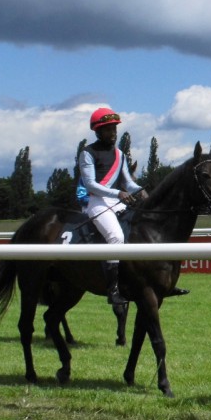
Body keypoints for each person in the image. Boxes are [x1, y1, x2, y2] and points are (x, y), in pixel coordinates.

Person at [79, 107, 148, 305]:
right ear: (97, 131)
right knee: (116, 237)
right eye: (108, 129)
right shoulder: (87, 153)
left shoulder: (120, 154)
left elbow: (128, 183)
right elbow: (91, 184)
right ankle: (113, 289)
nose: (113, 133)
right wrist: (118, 193)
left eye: (114, 129)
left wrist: (141, 191)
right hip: (97, 203)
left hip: (118, 201)